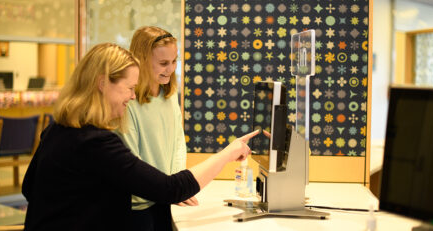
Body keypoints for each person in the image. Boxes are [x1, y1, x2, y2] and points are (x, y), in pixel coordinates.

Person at [22, 43, 258, 231]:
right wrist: (228, 153)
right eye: (129, 88)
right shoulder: (96, 143)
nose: (133, 96)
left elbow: (28, 188)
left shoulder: (58, 130)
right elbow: (171, 188)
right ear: (103, 83)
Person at [116, 26, 191, 230]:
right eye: (163, 63)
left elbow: (177, 143)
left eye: (174, 61)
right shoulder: (128, 103)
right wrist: (170, 189)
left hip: (165, 197)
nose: (171, 68)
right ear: (141, 61)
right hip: (138, 206)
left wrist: (177, 186)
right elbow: (132, 161)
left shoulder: (170, 96)